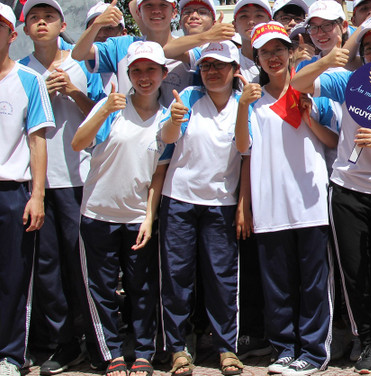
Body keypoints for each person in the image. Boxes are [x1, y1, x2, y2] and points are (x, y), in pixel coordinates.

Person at [293, 17, 371, 373]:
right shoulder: (348, 80)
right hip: (348, 189)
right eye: (369, 47)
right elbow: (298, 84)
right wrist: (348, 45)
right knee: (355, 273)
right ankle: (366, 341)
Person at [235, 22, 337, 376]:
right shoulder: (252, 102)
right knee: (276, 286)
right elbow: (243, 150)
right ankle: (284, 348)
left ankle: (312, 351)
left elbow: (333, 142)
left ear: (292, 51)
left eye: (279, 49)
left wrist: (309, 118)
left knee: (312, 283)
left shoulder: (308, 94)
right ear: (257, 58)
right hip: (270, 207)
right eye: (265, 52)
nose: (273, 57)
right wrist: (244, 205)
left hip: (309, 206)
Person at [71, 41, 172, 376]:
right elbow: (78, 143)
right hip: (98, 215)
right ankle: (110, 352)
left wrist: (148, 216)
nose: (144, 77)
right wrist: (101, 109)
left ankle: (143, 351)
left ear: (163, 74)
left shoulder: (168, 118)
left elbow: (159, 172)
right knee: (100, 290)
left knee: (142, 289)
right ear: (128, 74)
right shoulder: (111, 107)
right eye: (137, 71)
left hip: (137, 219)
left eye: (151, 70)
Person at [19, 0, 104, 374]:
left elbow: (104, 115)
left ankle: (99, 341)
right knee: (47, 267)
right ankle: (62, 343)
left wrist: (72, 90)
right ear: (23, 29)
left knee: (83, 266)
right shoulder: (19, 70)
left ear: (62, 24)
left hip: (77, 179)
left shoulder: (81, 62)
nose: (41, 22)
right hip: (35, 183)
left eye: (48, 16)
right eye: (33, 17)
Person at [157, 41, 249, 376]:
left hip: (221, 204)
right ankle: (177, 349)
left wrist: (243, 206)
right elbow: (167, 138)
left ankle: (227, 348)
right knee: (177, 275)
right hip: (179, 199)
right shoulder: (189, 98)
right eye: (207, 66)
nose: (212, 72)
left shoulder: (244, 104)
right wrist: (173, 120)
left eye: (220, 66)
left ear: (235, 71)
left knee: (222, 278)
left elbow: (245, 153)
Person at [0, 1, 54, 376]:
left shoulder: (28, 80)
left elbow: (37, 141)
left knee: (13, 278)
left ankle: (9, 354)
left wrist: (37, 195)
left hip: (12, 191)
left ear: (10, 34)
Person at [71, 0, 193, 106]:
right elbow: (78, 54)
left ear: (174, 12)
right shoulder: (122, 46)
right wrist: (97, 24)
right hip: (129, 123)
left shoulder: (189, 50)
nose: (156, 10)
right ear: (138, 13)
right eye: (149, 5)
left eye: (163, 5)